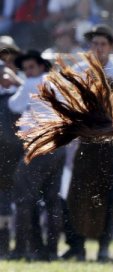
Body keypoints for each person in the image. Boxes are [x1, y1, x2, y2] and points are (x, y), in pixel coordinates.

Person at [61, 24, 113, 262]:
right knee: (76, 193)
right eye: (95, 44)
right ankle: (77, 246)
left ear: (111, 47)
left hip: (111, 142)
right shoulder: (79, 69)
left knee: (110, 195)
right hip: (86, 140)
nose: (98, 48)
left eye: (103, 44)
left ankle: (104, 248)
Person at [7, 50, 64, 260]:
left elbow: (15, 104)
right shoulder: (56, 82)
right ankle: (50, 251)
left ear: (41, 66)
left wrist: (15, 82)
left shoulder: (31, 84)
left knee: (23, 198)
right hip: (58, 145)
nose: (29, 72)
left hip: (38, 145)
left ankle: (21, 249)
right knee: (52, 200)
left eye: (31, 67)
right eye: (26, 69)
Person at [0, 36, 22, 258]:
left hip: (16, 147)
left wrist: (14, 81)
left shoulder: (22, 79)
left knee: (13, 194)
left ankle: (14, 244)